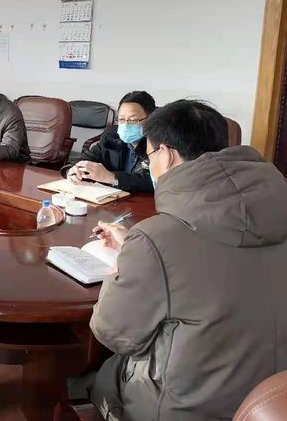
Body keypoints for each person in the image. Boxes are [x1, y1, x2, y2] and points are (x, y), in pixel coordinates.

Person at [79, 100, 287, 420]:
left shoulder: (156, 238)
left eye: (150, 156)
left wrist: (125, 262)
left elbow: (112, 333)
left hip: (185, 408)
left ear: (166, 154)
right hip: (271, 399)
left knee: (88, 376)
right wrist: (139, 248)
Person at [62, 91, 156, 193]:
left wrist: (112, 177)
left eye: (133, 120)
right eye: (121, 119)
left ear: (151, 119)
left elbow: (153, 181)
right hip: (111, 197)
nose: (125, 125)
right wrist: (72, 170)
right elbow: (88, 158)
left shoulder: (159, 143)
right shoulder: (112, 136)